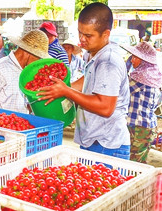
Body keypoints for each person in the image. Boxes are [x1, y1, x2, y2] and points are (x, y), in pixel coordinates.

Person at [37, 2, 131, 159]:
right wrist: (61, 88)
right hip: (93, 139)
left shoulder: (108, 62)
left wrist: (66, 91)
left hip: (107, 144)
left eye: (88, 36)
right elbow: (87, 80)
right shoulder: (94, 52)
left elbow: (105, 107)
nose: (82, 40)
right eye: (80, 33)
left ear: (106, 34)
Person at [0, 29, 50, 113]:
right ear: (29, 53)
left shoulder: (25, 71)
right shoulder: (1, 68)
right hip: (5, 124)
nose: (39, 61)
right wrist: (7, 118)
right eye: (39, 57)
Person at [121, 42, 162, 163]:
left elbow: (121, 93)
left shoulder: (140, 76)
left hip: (137, 127)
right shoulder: (154, 75)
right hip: (148, 126)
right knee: (139, 161)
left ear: (143, 60)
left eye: (135, 57)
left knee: (132, 163)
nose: (132, 60)